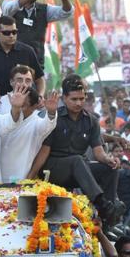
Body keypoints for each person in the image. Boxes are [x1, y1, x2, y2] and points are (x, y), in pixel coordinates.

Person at [27, 76, 124, 225]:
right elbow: (44, 150)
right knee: (77, 160)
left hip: (79, 170)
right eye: (74, 99)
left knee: (110, 168)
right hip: (53, 169)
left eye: (81, 98)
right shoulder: (55, 118)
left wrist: (108, 159)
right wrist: (30, 176)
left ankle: (108, 215)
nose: (79, 103)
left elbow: (98, 153)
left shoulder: (91, 121)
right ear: (64, 98)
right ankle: (101, 204)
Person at [1, 0, 72, 66]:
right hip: (11, 64)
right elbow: (8, 9)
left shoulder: (44, 10)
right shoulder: (9, 4)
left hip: (35, 65)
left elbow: (67, 12)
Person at [0, 86, 58, 183]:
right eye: (16, 103)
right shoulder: (3, 119)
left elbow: (48, 124)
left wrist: (51, 112)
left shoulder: (37, 124)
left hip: (20, 179)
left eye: (22, 105)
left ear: (34, 106)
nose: (18, 107)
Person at [0, 16, 45, 96]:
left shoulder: (27, 51)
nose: (11, 35)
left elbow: (39, 79)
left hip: (24, 102)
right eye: (6, 33)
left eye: (14, 32)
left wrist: (40, 96)